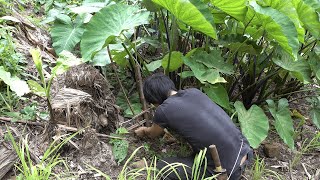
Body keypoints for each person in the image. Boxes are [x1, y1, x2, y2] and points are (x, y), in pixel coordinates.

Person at [135, 73, 253, 180]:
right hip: (245, 152)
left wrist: (144, 131)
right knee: (194, 157)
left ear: (154, 98)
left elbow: (152, 133)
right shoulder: (194, 92)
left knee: (161, 166)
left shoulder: (164, 109)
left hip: (227, 170)